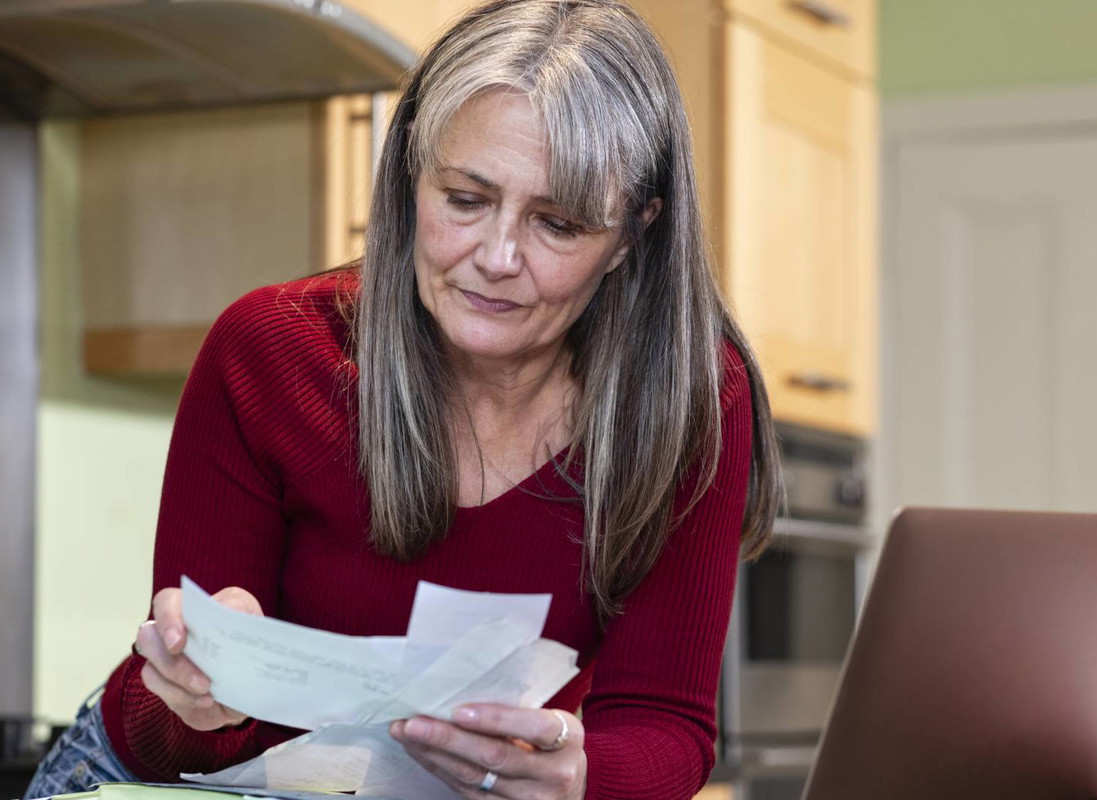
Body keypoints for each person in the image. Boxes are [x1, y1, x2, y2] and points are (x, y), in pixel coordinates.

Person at [25, 1, 780, 798]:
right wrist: (199, 693)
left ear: (632, 234)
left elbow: (666, 725)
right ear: (411, 174)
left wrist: (580, 776)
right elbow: (158, 736)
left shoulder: (688, 405)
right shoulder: (269, 352)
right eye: (463, 199)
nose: (496, 256)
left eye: (556, 223)